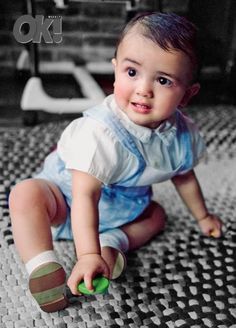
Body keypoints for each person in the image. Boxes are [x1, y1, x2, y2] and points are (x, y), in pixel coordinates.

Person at [9, 12, 222, 312]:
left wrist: (202, 216)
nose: (143, 90)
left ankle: (114, 242)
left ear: (187, 94)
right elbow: (85, 195)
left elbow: (184, 176)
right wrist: (86, 255)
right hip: (66, 198)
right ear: (115, 70)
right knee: (25, 195)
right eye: (132, 73)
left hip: (121, 207)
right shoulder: (101, 133)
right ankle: (43, 266)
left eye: (162, 80)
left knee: (157, 216)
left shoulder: (182, 135)